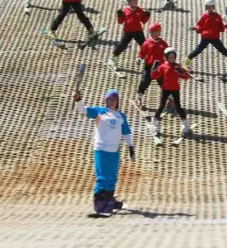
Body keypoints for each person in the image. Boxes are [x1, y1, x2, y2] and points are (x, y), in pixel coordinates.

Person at [74, 89, 135, 217]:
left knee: (112, 177)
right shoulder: (99, 111)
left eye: (114, 99)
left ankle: (109, 201)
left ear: (117, 101)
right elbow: (83, 110)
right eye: (109, 99)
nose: (111, 102)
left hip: (114, 150)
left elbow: (126, 132)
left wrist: (130, 147)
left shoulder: (120, 116)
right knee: (102, 177)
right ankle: (99, 204)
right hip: (101, 149)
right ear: (106, 100)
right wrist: (78, 100)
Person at [182, 0, 227, 70]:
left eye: (211, 6)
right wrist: (195, 27)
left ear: (213, 6)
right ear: (206, 7)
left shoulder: (217, 16)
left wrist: (225, 26)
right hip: (205, 37)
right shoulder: (204, 16)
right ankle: (185, 62)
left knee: (223, 50)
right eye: (208, 6)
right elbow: (200, 25)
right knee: (197, 50)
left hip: (214, 37)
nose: (209, 8)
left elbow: (220, 25)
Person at [150, 48, 192, 138]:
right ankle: (155, 126)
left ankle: (185, 126)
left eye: (173, 57)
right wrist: (153, 69)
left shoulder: (178, 66)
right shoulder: (163, 66)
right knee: (161, 107)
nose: (172, 59)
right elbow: (154, 76)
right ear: (166, 57)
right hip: (165, 89)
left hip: (175, 89)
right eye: (170, 57)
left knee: (178, 107)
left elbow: (186, 76)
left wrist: (183, 72)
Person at [108, 0, 150, 70]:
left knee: (144, 46)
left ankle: (149, 62)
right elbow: (120, 22)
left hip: (138, 31)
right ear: (128, 2)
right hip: (128, 32)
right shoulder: (125, 10)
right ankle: (113, 59)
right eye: (131, 2)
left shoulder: (139, 10)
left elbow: (143, 21)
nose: (133, 3)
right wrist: (119, 15)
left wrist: (147, 16)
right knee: (122, 45)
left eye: (135, 2)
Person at [135, 22, 169, 108]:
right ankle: (139, 97)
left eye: (156, 31)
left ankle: (169, 98)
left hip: (160, 67)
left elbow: (168, 54)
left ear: (159, 32)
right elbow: (142, 53)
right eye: (152, 32)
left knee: (164, 83)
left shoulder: (163, 44)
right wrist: (139, 58)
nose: (154, 34)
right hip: (149, 66)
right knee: (144, 81)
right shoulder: (147, 43)